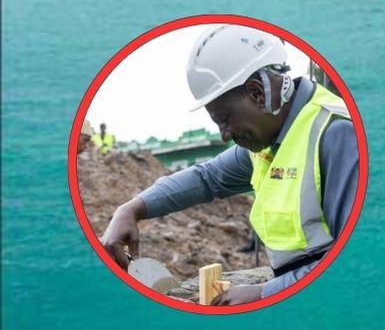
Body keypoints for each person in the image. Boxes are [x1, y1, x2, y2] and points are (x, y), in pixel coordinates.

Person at [99, 25, 360, 305]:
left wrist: (265, 293)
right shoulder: (268, 141)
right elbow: (207, 177)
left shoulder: (336, 135)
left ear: (258, 93)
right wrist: (132, 208)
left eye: (225, 119)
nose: (224, 134)